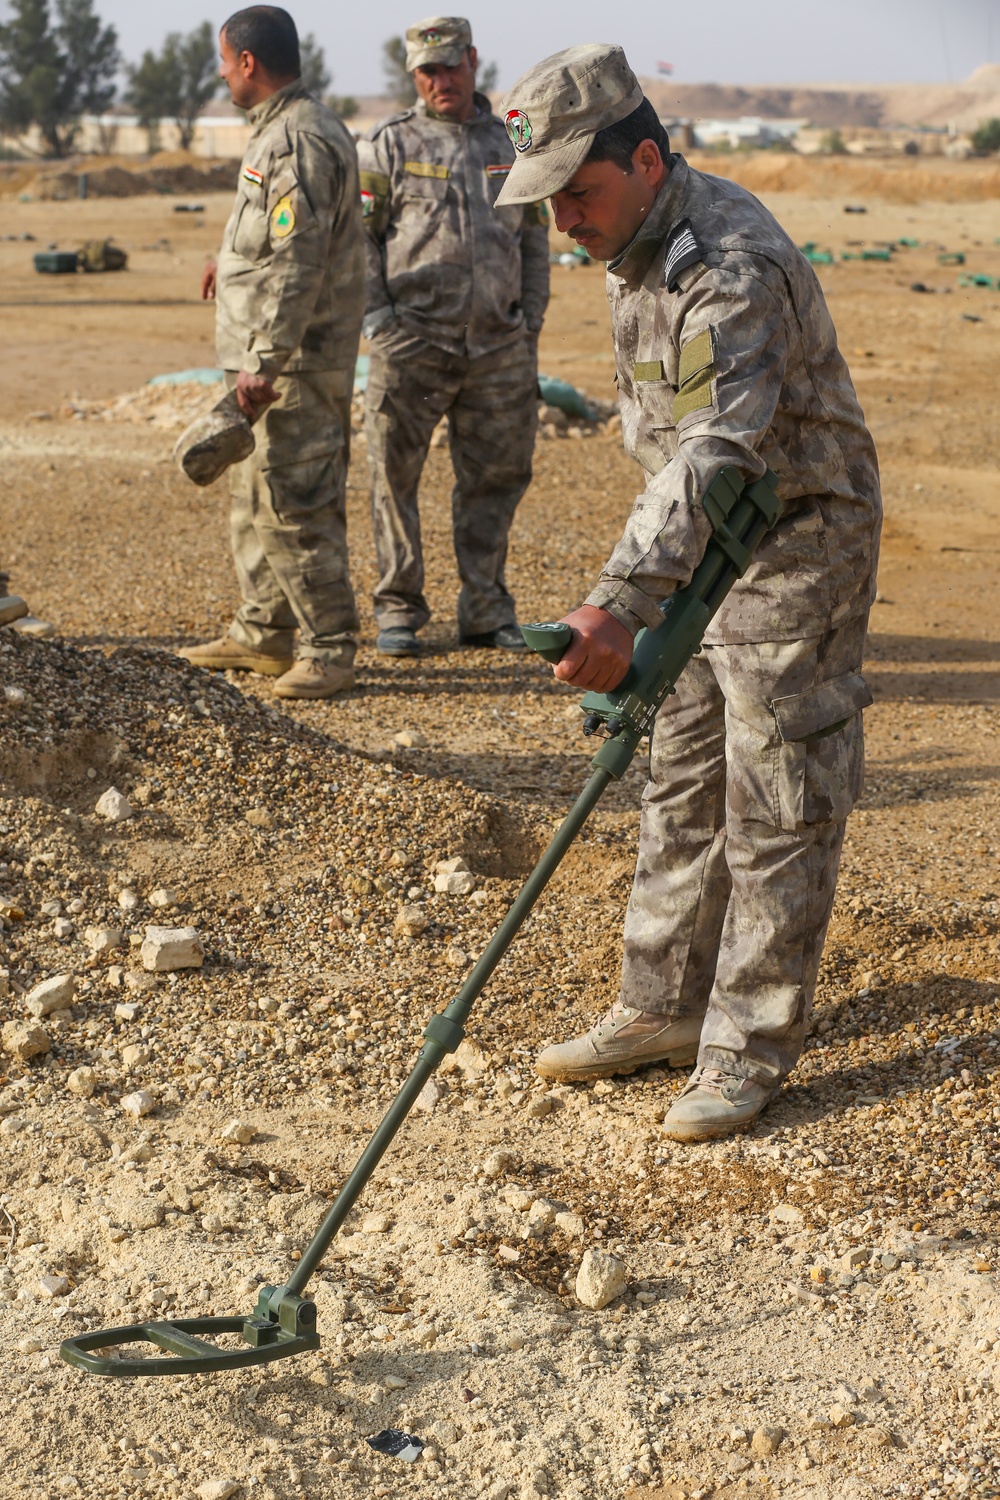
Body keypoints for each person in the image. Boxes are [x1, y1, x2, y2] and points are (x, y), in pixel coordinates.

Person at [495, 45, 882, 1141]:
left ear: (649, 161)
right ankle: (662, 1007)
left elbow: (718, 448)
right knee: (679, 774)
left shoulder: (724, 265)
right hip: (705, 548)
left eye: (580, 191)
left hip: (795, 538)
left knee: (774, 795)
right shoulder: (637, 247)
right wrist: (652, 591)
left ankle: (747, 1047)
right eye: (550, 198)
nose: (565, 219)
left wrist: (620, 598)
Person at [180, 5, 364, 700]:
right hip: (275, 356)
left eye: (225, 61)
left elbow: (299, 259)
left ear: (248, 62)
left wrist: (266, 361)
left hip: (295, 362)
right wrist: (224, 263)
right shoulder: (280, 131)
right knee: (254, 496)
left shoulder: (296, 139)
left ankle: (330, 647)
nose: (223, 73)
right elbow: (270, 240)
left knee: (296, 500)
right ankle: (263, 632)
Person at [357, 15, 550, 657]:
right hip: (412, 343)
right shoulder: (389, 144)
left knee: (496, 479)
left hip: (497, 348)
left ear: (472, 60)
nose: (441, 81)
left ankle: (486, 610)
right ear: (414, 75)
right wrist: (379, 323)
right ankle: (398, 611)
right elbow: (357, 240)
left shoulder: (512, 142)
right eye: (427, 72)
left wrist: (530, 327)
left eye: (450, 66)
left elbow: (534, 239)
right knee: (394, 479)